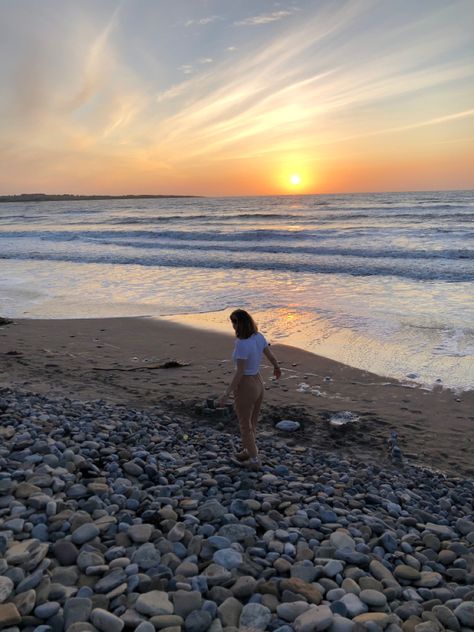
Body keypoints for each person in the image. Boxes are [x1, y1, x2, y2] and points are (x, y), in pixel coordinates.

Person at [217, 309, 281, 469]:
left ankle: (254, 460)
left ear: (240, 323)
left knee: (245, 425)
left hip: (246, 385)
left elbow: (240, 372)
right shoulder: (258, 337)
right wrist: (276, 367)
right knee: (252, 421)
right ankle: (248, 450)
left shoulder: (241, 344)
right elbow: (270, 355)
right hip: (259, 382)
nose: (232, 326)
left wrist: (227, 393)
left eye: (234, 322)